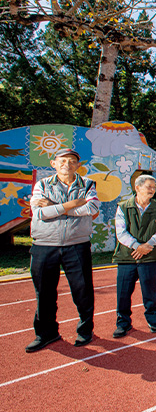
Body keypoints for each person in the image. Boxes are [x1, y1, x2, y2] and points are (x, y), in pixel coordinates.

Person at [27, 148, 100, 352]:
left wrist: (54, 205)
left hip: (76, 245)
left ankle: (86, 331)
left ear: (78, 165)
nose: (67, 164)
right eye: (62, 161)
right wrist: (70, 205)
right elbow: (40, 212)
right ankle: (46, 333)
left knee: (83, 290)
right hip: (44, 246)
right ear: (53, 163)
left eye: (72, 161)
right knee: (45, 292)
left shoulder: (88, 184)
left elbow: (92, 208)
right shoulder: (41, 185)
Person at [112, 174, 156, 338]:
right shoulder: (123, 206)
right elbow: (121, 232)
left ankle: (154, 320)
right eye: (148, 186)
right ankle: (123, 323)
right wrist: (137, 246)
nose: (152, 190)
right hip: (127, 256)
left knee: (151, 291)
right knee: (123, 292)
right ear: (137, 187)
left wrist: (147, 245)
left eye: (154, 187)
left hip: (150, 256)